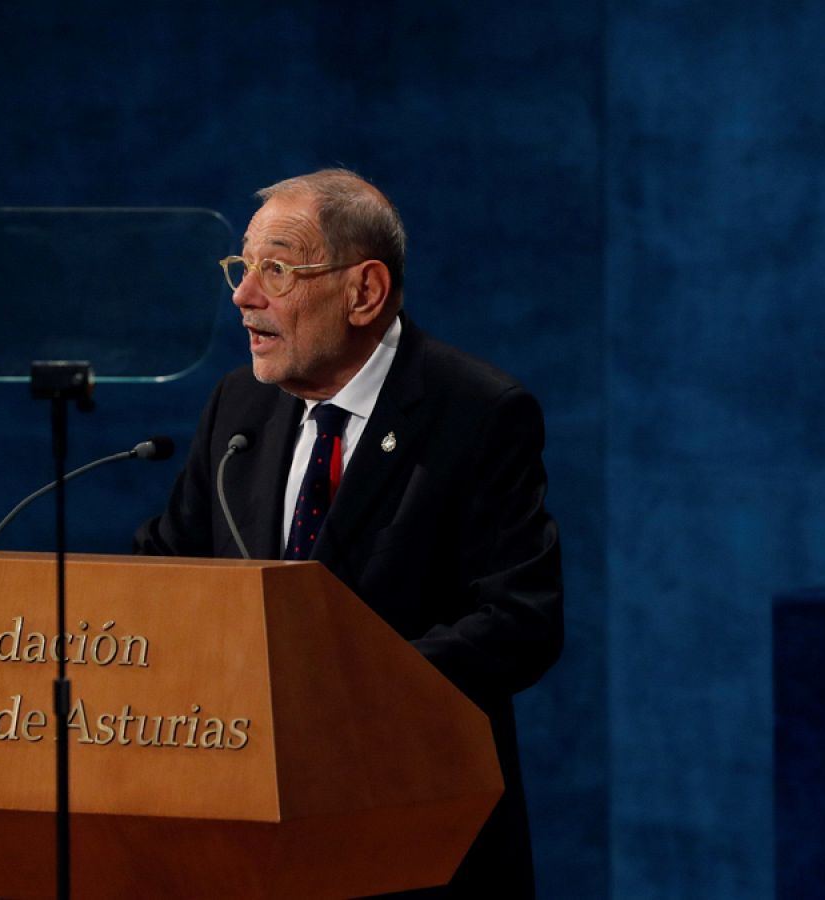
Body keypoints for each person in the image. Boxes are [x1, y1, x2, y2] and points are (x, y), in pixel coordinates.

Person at [135, 168, 563, 897]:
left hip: (412, 840)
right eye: (242, 265)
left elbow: (519, 621)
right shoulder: (238, 408)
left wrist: (334, 692)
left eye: (277, 268)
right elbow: (165, 574)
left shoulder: (478, 414)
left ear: (363, 292)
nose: (243, 296)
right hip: (245, 837)